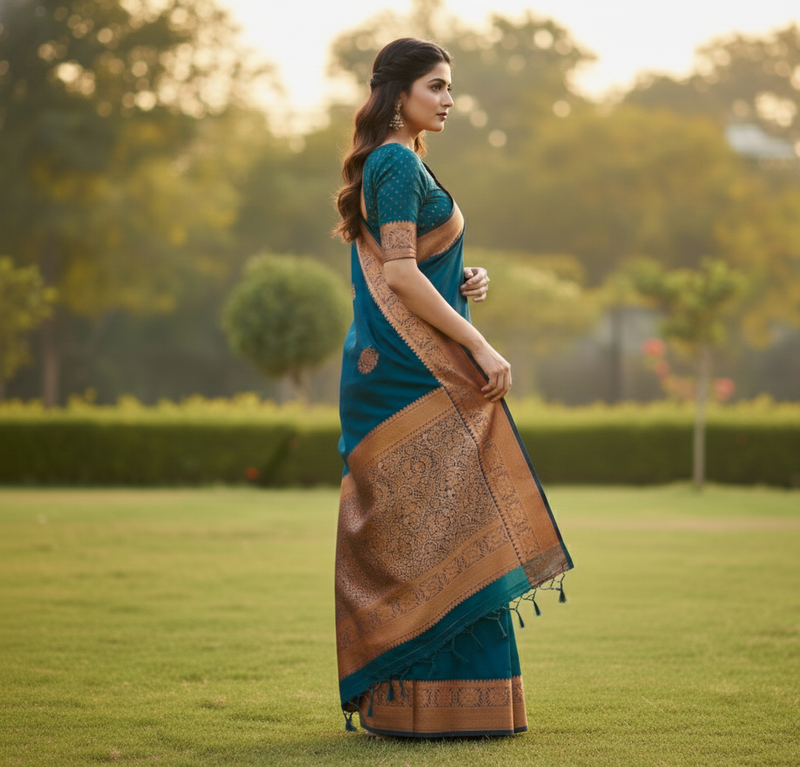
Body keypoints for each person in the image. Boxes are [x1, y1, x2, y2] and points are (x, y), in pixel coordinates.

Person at [333, 37, 572, 739]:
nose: (448, 99)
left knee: (441, 528)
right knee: (439, 527)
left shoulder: (394, 163)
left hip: (399, 368)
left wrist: (467, 284)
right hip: (413, 377)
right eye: (435, 86)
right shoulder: (395, 161)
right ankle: (434, 705)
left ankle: (425, 706)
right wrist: (477, 339)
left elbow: (415, 269)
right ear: (397, 92)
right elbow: (401, 276)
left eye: (449, 87)